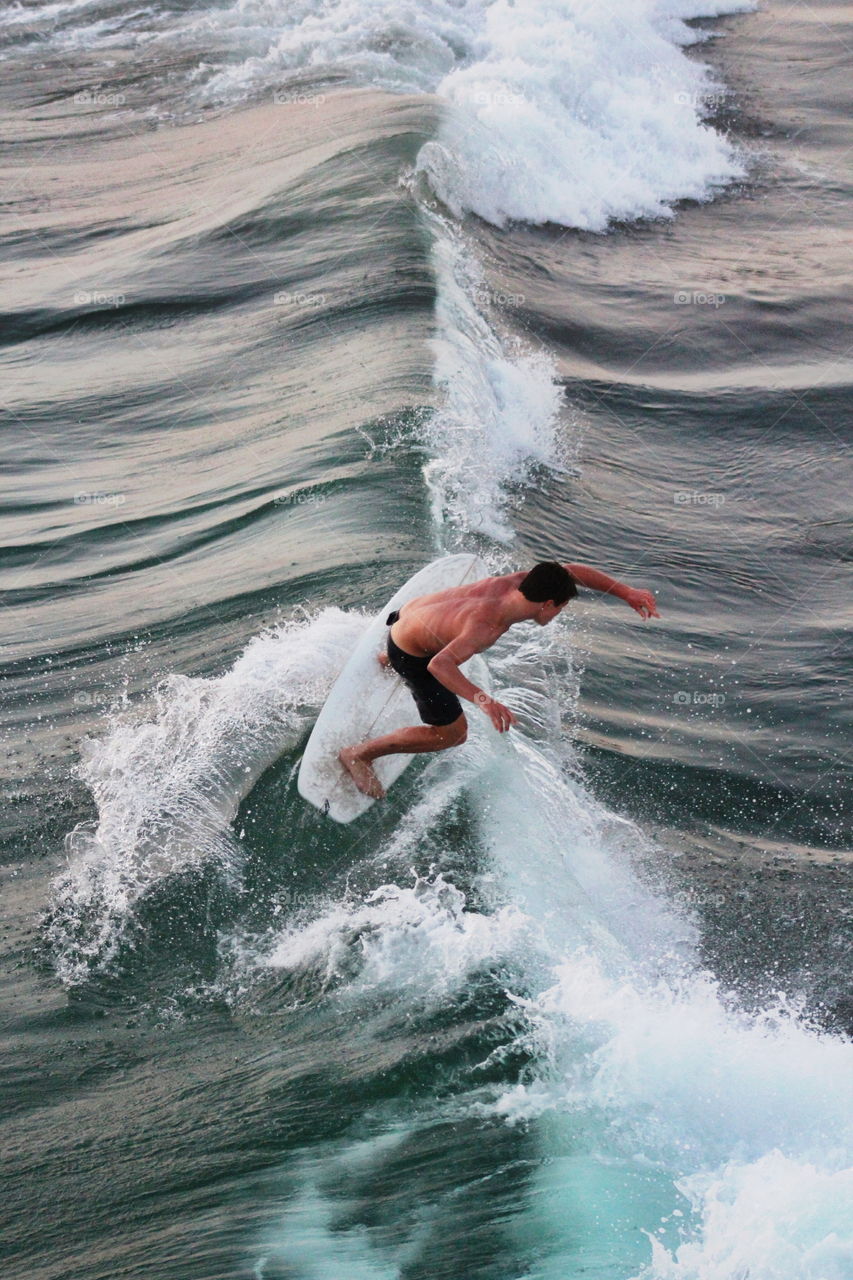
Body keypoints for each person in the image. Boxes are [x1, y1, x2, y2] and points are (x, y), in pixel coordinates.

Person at [339, 560, 659, 799]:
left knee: (443, 636)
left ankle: (389, 657)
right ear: (548, 603)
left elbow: (570, 571)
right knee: (452, 734)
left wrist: (626, 592)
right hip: (414, 654)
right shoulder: (487, 626)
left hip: (408, 613)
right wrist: (484, 701)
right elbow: (440, 665)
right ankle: (359, 754)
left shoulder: (521, 582)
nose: (559, 613)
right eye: (561, 607)